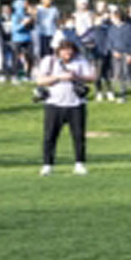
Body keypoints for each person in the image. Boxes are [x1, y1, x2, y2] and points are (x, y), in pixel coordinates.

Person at [34, 39, 96, 176]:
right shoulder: (49, 61)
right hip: (54, 103)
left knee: (79, 136)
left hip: (76, 104)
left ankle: (79, 163)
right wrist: (58, 77)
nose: (67, 52)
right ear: (58, 51)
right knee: (50, 136)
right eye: (64, 50)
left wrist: (76, 76)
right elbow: (40, 80)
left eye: (70, 50)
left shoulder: (80, 61)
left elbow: (92, 77)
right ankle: (47, 164)